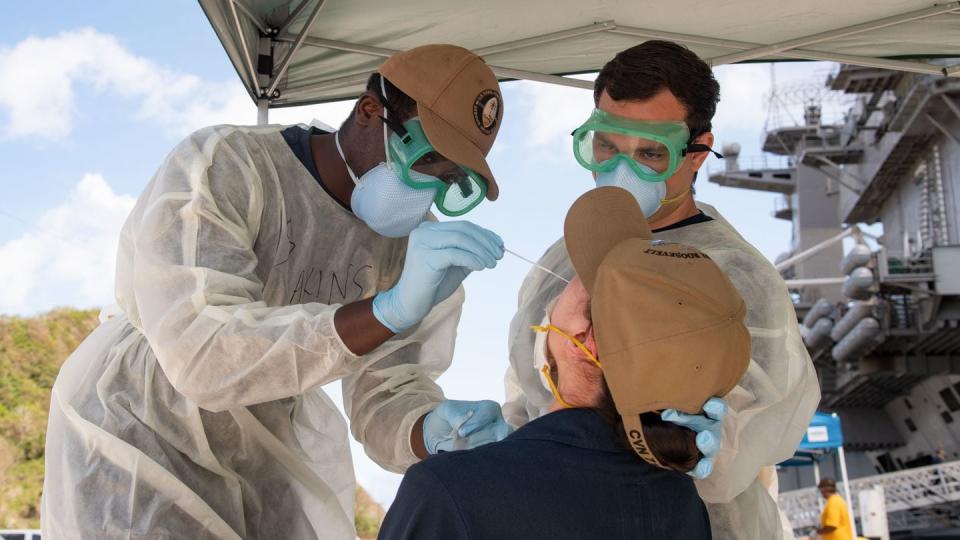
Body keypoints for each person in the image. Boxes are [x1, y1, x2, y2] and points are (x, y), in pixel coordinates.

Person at [42, 44, 513, 539]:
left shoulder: (414, 253)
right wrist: (384, 313)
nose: (429, 190)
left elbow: (386, 398)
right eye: (426, 160)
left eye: (451, 180)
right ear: (369, 111)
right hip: (141, 423)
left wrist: (432, 429)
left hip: (263, 447)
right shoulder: (228, 165)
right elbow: (200, 354)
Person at [503, 40, 821, 539]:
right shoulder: (559, 261)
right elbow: (527, 399)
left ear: (697, 153)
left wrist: (714, 442)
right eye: (606, 146)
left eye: (651, 153)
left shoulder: (738, 276)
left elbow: (746, 437)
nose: (621, 170)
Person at [379, 186, 752, 539]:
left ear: (584, 338)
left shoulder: (446, 491)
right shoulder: (680, 501)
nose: (556, 292)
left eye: (578, 279)